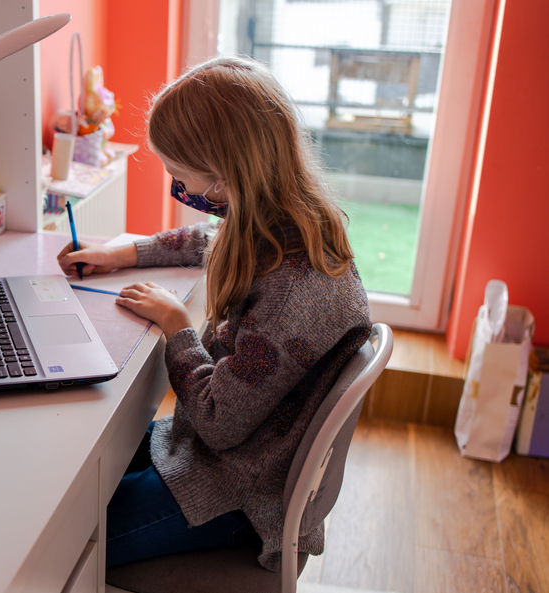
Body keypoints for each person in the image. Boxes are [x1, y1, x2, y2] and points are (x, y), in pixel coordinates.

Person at [57, 56, 372, 572]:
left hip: (240, 492)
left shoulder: (295, 299)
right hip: (226, 456)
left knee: (68, 541)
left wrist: (178, 327)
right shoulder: (290, 221)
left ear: (227, 179)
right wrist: (126, 252)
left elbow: (219, 423)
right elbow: (209, 238)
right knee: (80, 474)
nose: (178, 188)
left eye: (180, 176)